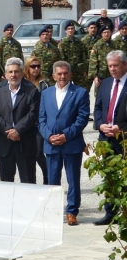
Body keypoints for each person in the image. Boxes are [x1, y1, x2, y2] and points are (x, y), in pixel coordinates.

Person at [38, 61, 89, 226]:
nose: (62, 76)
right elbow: (41, 119)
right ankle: (53, 211)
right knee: (52, 180)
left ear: (70, 74)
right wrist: (48, 136)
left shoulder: (80, 92)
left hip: (71, 143)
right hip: (51, 144)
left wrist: (66, 135)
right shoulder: (46, 94)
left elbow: (82, 119)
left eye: (65, 73)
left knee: (73, 179)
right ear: (53, 76)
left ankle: (71, 212)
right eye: (59, 74)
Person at [0, 57, 40, 183]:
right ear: (6, 74)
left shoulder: (32, 91)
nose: (13, 75)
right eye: (10, 72)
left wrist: (17, 130)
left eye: (16, 71)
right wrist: (8, 130)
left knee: (28, 182)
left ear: (22, 73)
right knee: (6, 183)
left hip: (25, 142)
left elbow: (33, 113)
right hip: (5, 143)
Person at [93, 50, 127, 225]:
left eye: (116, 65)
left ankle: (125, 214)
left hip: (124, 138)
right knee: (109, 177)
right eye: (110, 66)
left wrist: (121, 128)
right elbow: (98, 107)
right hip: (106, 138)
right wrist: (100, 125)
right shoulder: (106, 83)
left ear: (125, 65)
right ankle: (110, 213)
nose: (112, 69)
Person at [24, 56, 50, 184]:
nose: (36, 69)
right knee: (27, 155)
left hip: (39, 122)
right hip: (25, 122)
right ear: (27, 67)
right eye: (33, 66)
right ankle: (30, 181)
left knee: (38, 153)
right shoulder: (22, 82)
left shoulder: (44, 83)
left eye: (38, 66)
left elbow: (47, 103)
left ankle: (47, 176)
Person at [89, 26, 118, 97]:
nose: (106, 34)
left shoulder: (115, 45)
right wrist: (95, 77)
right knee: (99, 96)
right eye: (104, 32)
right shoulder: (97, 45)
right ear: (101, 34)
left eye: (108, 32)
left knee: (112, 95)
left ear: (111, 33)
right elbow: (93, 62)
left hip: (113, 75)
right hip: (101, 76)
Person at [59, 23, 89, 90]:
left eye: (72, 29)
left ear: (74, 30)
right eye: (68, 29)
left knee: (80, 88)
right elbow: (61, 58)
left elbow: (83, 56)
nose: (70, 30)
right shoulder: (62, 43)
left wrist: (84, 70)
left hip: (78, 70)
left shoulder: (78, 42)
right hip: (67, 70)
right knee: (66, 88)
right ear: (65, 31)